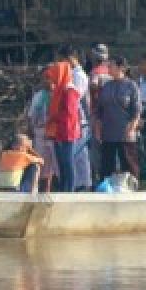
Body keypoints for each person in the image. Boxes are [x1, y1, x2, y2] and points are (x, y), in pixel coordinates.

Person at [94, 56, 142, 180]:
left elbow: (136, 110)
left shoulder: (131, 86)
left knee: (129, 163)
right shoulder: (106, 86)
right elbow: (99, 110)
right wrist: (98, 127)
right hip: (108, 132)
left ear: (121, 68)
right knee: (106, 165)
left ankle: (132, 187)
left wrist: (131, 127)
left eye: (111, 65)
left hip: (125, 131)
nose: (108, 68)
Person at [44, 60, 82, 192]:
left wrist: (54, 117)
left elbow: (70, 113)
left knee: (68, 162)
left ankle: (69, 189)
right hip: (59, 131)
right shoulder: (59, 90)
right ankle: (63, 188)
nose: (51, 78)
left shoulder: (69, 91)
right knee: (61, 163)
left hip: (68, 131)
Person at [62, 45, 94, 190]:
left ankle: (83, 184)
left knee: (78, 154)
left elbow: (75, 97)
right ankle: (79, 183)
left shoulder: (78, 75)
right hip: (74, 119)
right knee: (77, 155)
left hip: (79, 119)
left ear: (69, 58)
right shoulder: (71, 74)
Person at [24, 70, 58, 193]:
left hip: (55, 134)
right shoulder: (39, 95)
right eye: (44, 78)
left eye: (48, 78)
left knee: (53, 165)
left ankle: (49, 190)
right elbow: (31, 115)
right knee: (39, 162)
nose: (46, 81)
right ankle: (36, 190)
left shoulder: (59, 94)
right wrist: (30, 131)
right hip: (40, 132)